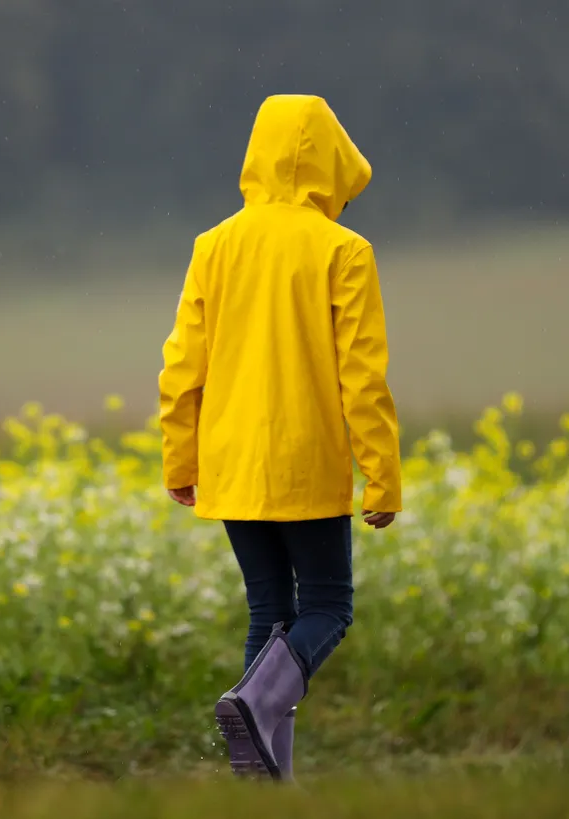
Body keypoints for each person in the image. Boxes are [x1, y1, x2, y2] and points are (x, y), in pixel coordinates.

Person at [157, 94, 402, 782]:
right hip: (306, 463)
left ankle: (264, 781)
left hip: (232, 464)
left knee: (269, 611)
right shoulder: (344, 251)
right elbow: (363, 377)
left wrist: (181, 456)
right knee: (328, 607)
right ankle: (257, 709)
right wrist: (381, 478)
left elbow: (183, 365)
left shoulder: (215, 245)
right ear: (331, 164)